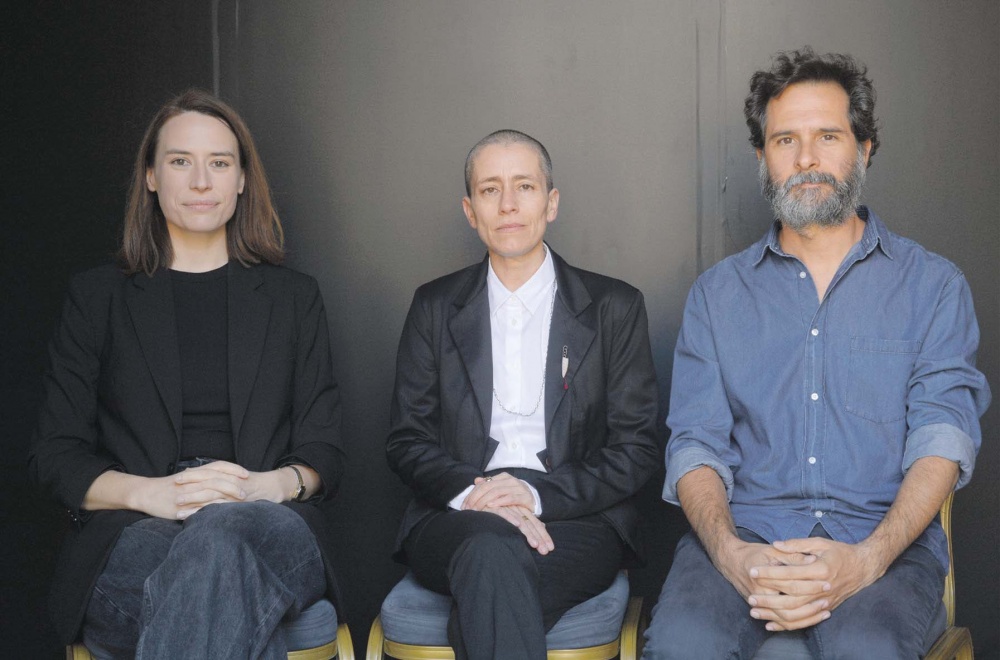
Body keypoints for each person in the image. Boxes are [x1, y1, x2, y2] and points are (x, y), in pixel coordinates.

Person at [643, 48, 991, 659]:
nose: (806, 159)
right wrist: (732, 555)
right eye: (785, 140)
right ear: (762, 158)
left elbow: (943, 437)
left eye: (827, 136)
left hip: (881, 544)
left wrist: (867, 560)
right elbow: (695, 445)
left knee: (867, 648)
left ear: (864, 148)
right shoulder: (717, 296)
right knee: (681, 644)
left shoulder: (933, 286)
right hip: (746, 537)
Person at [29, 89, 345, 659]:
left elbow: (324, 449)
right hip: (134, 531)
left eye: (219, 163)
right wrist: (153, 494)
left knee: (221, 538)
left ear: (242, 180)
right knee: (221, 580)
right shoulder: (97, 297)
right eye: (180, 161)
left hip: (268, 521)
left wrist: (263, 486)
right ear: (151, 176)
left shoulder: (293, 298)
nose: (201, 181)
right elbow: (55, 454)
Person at [386, 130, 660, 659]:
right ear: (470, 211)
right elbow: (407, 441)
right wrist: (476, 494)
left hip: (578, 517)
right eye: (490, 189)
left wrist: (534, 497)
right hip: (456, 513)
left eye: (525, 187)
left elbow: (637, 449)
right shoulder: (433, 307)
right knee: (488, 553)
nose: (508, 204)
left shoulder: (614, 307)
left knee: (489, 571)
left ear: (551, 203)